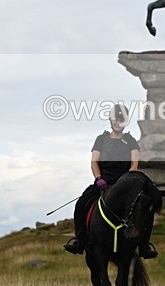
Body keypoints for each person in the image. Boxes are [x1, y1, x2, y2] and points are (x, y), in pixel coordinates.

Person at [63, 105, 157, 258]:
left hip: (124, 184)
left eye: (121, 119)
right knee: (81, 203)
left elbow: (134, 164)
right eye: (115, 119)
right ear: (111, 120)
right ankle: (79, 241)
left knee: (144, 210)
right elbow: (94, 162)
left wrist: (127, 182)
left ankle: (145, 246)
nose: (117, 122)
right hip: (103, 182)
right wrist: (99, 178)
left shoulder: (131, 141)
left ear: (125, 122)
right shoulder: (101, 140)